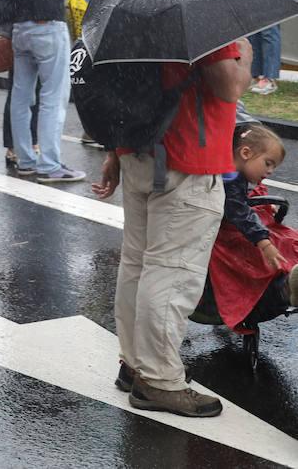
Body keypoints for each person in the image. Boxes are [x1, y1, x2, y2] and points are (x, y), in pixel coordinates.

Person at [92, 39, 252, 418]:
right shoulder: (201, 11)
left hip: (139, 149)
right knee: (172, 271)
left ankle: (135, 365)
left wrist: (115, 150)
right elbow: (227, 85)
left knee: (138, 264)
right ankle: (159, 380)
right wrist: (243, 54)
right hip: (188, 159)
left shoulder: (137, 11)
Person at [4, 0, 94, 182]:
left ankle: (25, 161)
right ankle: (49, 165)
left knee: (21, 97)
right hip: (48, 25)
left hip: (21, 27)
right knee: (53, 98)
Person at [205, 125, 297, 331]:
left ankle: (289, 280)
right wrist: (263, 242)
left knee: (285, 239)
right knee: (263, 254)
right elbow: (239, 211)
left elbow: (242, 203)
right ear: (245, 153)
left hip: (235, 228)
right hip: (226, 236)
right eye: (268, 163)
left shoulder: (236, 175)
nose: (270, 171)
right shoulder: (230, 180)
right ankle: (284, 287)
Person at [0, 0, 40, 169]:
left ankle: (18, 144)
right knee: (24, 91)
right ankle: (22, 144)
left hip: (15, 33)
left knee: (20, 91)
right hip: (21, 33)